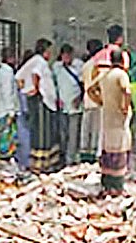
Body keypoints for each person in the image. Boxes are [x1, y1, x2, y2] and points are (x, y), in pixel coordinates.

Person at [93, 47, 133, 194]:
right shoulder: (121, 75)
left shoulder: (105, 75)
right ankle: (117, 184)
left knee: (108, 147)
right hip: (119, 118)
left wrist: (101, 101)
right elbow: (126, 91)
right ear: (122, 60)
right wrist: (125, 106)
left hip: (107, 116)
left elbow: (91, 89)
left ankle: (107, 182)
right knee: (120, 147)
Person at [17, 38, 60, 173]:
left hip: (44, 101)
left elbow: (20, 77)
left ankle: (45, 162)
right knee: (42, 132)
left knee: (44, 131)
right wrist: (35, 88)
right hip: (41, 101)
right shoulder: (39, 61)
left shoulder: (36, 61)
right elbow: (36, 74)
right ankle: (41, 164)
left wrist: (25, 89)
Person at [53, 43, 84, 165]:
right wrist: (56, 98)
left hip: (75, 105)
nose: (67, 58)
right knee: (62, 133)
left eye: (68, 55)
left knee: (73, 133)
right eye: (64, 55)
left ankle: (70, 159)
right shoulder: (57, 67)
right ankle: (62, 156)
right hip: (62, 105)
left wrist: (79, 98)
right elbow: (54, 84)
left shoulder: (79, 66)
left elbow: (83, 85)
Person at [78, 38, 105, 163]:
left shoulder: (86, 65)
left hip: (87, 101)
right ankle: (94, 158)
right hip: (99, 102)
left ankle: (84, 157)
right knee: (96, 132)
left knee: (85, 132)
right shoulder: (100, 65)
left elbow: (82, 84)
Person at [0, 47, 20, 161]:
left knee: (8, 137)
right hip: (6, 111)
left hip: (4, 110)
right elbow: (7, 92)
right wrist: (11, 111)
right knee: (7, 137)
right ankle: (5, 159)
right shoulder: (7, 73)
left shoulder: (5, 71)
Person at [14, 48, 35, 168]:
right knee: (25, 137)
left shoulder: (20, 73)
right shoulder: (25, 74)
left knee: (22, 136)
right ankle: (25, 162)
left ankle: (22, 161)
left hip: (21, 108)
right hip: (24, 108)